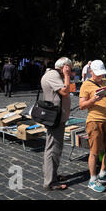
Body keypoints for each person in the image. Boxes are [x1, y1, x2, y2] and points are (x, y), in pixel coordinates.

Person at [79, 60, 106, 193]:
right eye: (98, 74)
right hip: (94, 121)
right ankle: (92, 179)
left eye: (102, 74)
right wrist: (93, 100)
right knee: (94, 151)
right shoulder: (86, 85)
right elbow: (82, 106)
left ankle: (102, 174)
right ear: (91, 72)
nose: (101, 77)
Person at [41, 57, 72, 191]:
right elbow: (65, 91)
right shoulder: (53, 75)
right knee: (53, 148)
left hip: (57, 117)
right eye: (69, 67)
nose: (70, 70)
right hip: (55, 118)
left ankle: (52, 175)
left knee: (55, 148)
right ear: (64, 66)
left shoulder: (52, 74)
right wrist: (66, 76)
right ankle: (50, 182)